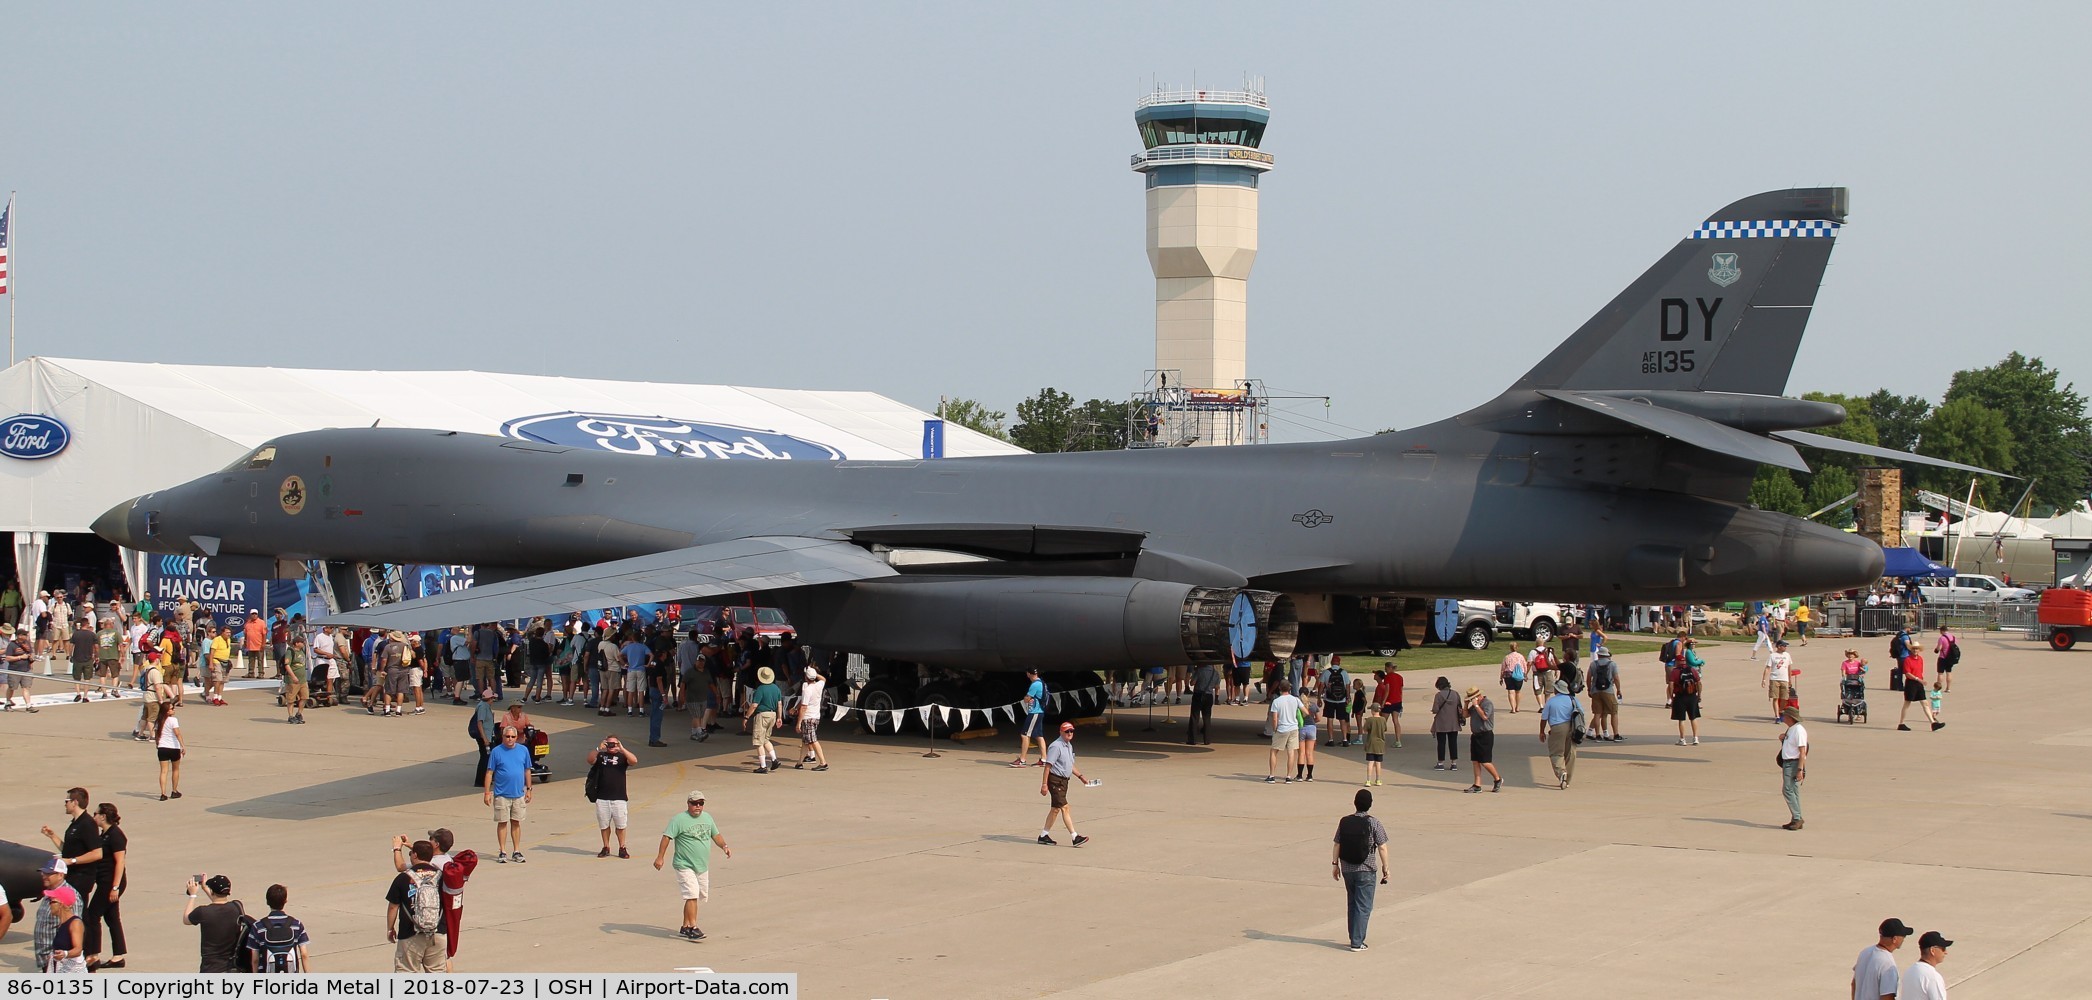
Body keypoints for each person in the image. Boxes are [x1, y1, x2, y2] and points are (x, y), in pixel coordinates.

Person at [655, 790, 732, 941]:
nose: (698, 806)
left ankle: (685, 926)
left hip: (701, 866)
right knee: (692, 894)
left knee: (695, 896)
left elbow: (716, 835)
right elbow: (666, 838)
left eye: (701, 804)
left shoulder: (707, 817)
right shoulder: (678, 820)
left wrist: (724, 846)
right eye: (694, 803)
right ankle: (693, 927)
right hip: (683, 864)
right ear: (688, 804)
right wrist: (660, 857)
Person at [1331, 787, 1391, 952]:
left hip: (1347, 868)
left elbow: (1337, 843)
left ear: (1355, 803)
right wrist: (1386, 867)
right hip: (1366, 868)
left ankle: (1353, 936)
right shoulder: (1374, 822)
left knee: (1352, 902)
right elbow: (1382, 847)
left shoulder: (1344, 821)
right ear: (1370, 804)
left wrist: (1335, 864)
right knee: (1363, 905)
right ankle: (1357, 942)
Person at [386, 840, 447, 972]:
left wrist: (390, 929)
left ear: (414, 855)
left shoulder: (403, 878)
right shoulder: (442, 876)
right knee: (436, 972)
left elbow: (393, 907)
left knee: (406, 971)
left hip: (410, 934)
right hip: (438, 932)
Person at [84, 803, 128, 970]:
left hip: (110, 882)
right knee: (111, 917)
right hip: (105, 881)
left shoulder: (116, 835)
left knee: (92, 915)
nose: (93, 817)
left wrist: (115, 887)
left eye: (95, 814)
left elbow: (120, 862)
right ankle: (118, 956)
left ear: (103, 816)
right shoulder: (105, 834)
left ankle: (93, 953)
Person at [44, 787, 105, 908]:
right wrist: (52, 836)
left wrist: (71, 861)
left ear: (75, 802)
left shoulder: (87, 823)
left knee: (77, 913)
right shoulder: (75, 823)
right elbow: (68, 851)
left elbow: (97, 853)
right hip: (72, 876)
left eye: (67, 801)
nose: (65, 804)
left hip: (81, 877)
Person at [1038, 721, 1091, 846]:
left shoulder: (1068, 746)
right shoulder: (1056, 746)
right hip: (1055, 780)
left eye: (1071, 731)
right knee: (1065, 807)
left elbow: (1070, 765)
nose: (1069, 733)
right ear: (1061, 732)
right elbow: (1047, 766)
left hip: (1064, 782)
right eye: (1067, 731)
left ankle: (1043, 835)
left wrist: (1081, 777)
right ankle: (1075, 836)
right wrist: (1044, 784)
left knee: (1055, 809)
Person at [485, 726, 533, 863]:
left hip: (518, 794)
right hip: (501, 794)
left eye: (513, 737)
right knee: (502, 822)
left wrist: (529, 789)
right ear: (503, 737)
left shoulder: (523, 750)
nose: (510, 739)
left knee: (516, 822)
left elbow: (527, 770)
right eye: (507, 737)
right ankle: (502, 851)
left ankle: (516, 850)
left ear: (516, 737)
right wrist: (487, 792)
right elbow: (489, 773)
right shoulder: (496, 752)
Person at [184, 874, 246, 973]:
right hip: (232, 967)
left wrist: (193, 895)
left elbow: (186, 919)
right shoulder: (237, 906)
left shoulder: (203, 912)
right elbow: (219, 901)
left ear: (212, 891)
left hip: (211, 968)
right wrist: (205, 888)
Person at [589, 734, 638, 858]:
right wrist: (598, 748)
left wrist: (621, 748)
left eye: (613, 743)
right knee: (604, 825)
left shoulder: (622, 757)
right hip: (602, 797)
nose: (611, 746)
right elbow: (590, 760)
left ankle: (622, 847)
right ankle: (606, 846)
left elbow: (634, 761)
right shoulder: (600, 756)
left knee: (621, 825)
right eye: (609, 743)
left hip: (619, 797)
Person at [246, 883, 311, 973]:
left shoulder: (258, 926)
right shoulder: (296, 925)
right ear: (285, 901)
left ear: (267, 902)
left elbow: (255, 959)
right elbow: (304, 954)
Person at [1854, 917, 1913, 1000]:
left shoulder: (1865, 953)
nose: (1904, 938)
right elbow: (1887, 996)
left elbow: (1854, 984)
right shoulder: (1887, 963)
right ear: (1895, 939)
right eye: (1903, 936)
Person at [1539, 679, 1578, 789]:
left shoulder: (1551, 701)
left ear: (1557, 690)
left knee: (1556, 753)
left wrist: (1542, 731)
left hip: (1557, 727)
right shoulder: (1572, 699)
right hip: (1572, 727)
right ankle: (1568, 779)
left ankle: (1562, 773)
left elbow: (1544, 718)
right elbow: (1581, 713)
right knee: (1570, 752)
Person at [1462, 686, 1502, 793]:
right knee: (1475, 761)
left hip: (1485, 735)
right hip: (1475, 735)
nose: (1472, 700)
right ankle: (1477, 785)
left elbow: (1485, 717)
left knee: (1485, 761)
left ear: (1479, 696)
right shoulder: (1474, 706)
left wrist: (1475, 705)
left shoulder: (1487, 704)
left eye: (1473, 698)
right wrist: (1466, 705)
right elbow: (1465, 715)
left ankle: (1497, 779)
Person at [42, 884, 86, 973]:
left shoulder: (75, 923)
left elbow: (78, 949)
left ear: (61, 904)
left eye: (52, 902)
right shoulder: (62, 924)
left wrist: (65, 954)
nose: (49, 905)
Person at [745, 665, 782, 773]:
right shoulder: (776, 688)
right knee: (766, 739)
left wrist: (746, 716)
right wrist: (779, 717)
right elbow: (779, 704)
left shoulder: (760, 689)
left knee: (758, 741)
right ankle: (774, 759)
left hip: (762, 715)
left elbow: (754, 705)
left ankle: (763, 766)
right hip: (773, 714)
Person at [1267, 680, 1303, 783]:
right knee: (1291, 752)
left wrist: (1274, 729)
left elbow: (1274, 718)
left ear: (1279, 688)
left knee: (1274, 751)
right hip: (1293, 728)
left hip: (1282, 728)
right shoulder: (1295, 699)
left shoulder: (1277, 701)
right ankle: (1288, 776)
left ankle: (1272, 775)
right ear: (1290, 688)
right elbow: (1305, 711)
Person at [1778, 707, 1809, 830]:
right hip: (1788, 763)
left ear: (1790, 718)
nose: (1783, 718)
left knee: (1787, 790)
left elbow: (1802, 752)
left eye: (1785, 716)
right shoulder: (1791, 729)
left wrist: (1800, 770)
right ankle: (1796, 818)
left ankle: (1797, 818)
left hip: (1793, 764)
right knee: (1794, 791)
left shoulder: (1798, 731)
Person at [1897, 651, 1942, 732]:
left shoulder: (1920, 659)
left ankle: (1933, 723)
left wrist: (1921, 680)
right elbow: (1907, 673)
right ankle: (1901, 723)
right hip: (1911, 683)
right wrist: (1919, 679)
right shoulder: (1907, 660)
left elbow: (1920, 671)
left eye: (1917, 649)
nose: (1915, 651)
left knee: (1925, 703)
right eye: (1914, 649)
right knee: (1907, 703)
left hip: (1919, 683)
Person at [1012, 666, 1049, 766]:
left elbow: (1027, 699)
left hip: (1034, 712)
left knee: (1024, 735)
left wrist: (1026, 699)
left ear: (1028, 674)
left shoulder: (1035, 685)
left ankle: (1022, 760)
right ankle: (1044, 760)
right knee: (1038, 735)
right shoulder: (1042, 683)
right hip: (1040, 711)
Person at [1671, 638, 1705, 746]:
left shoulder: (1675, 672)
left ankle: (1682, 739)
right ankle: (1695, 738)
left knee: (1681, 719)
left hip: (1680, 696)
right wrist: (1699, 695)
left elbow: (1671, 684)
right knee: (1693, 718)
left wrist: (1671, 696)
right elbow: (1699, 683)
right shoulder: (1692, 670)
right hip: (1692, 696)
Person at [795, 665, 830, 770]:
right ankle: (799, 762)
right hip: (815, 717)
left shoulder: (807, 689)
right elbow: (823, 679)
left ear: (806, 677)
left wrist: (798, 722)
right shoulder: (819, 685)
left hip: (808, 717)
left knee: (813, 740)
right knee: (806, 740)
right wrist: (815, 674)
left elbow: (804, 707)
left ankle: (823, 763)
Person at [1901, 932, 1952, 999]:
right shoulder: (1932, 976)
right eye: (1943, 948)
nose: (1946, 952)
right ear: (1932, 950)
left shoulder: (1910, 971)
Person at [1587, 646, 1623, 741]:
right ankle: (1616, 734)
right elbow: (1616, 678)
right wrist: (1618, 689)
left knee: (1597, 713)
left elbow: (1588, 678)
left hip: (1595, 691)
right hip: (1608, 691)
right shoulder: (1612, 664)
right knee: (1614, 712)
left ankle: (1598, 735)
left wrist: (1589, 689)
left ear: (1599, 655)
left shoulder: (1593, 664)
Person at [3, 624, 39, 712]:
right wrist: (20, 657)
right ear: (19, 636)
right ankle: (8, 702)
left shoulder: (27, 644)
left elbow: (30, 654)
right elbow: (7, 658)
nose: (26, 636)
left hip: (26, 670)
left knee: (26, 687)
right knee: (12, 688)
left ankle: (28, 705)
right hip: (14, 670)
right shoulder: (12, 645)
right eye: (24, 635)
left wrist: (31, 661)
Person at [1429, 676, 1461, 770]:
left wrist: (1434, 711)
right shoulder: (1455, 694)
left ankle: (1440, 763)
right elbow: (1459, 707)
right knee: (1453, 743)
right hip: (1454, 722)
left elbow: (1435, 709)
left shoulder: (1438, 695)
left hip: (1441, 722)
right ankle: (1454, 763)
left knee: (1441, 743)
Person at [156, 701, 185, 799]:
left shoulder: (159, 721)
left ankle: (163, 793)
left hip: (162, 747)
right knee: (175, 769)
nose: (174, 710)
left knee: (163, 771)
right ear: (167, 712)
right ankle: (174, 790)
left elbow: (157, 735)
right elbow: (177, 733)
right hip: (173, 747)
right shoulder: (173, 720)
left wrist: (157, 744)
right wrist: (182, 746)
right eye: (172, 708)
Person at [1187, 659, 1219, 745]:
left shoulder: (1199, 671)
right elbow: (1217, 686)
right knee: (1207, 718)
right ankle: (1207, 740)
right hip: (1209, 696)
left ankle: (1192, 739)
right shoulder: (1215, 673)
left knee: (1194, 717)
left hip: (1198, 694)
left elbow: (1192, 683)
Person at [1763, 639, 1795, 722]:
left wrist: (1790, 679)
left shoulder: (1787, 655)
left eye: (1786, 646)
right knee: (1775, 698)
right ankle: (1777, 716)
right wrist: (1764, 679)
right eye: (1784, 646)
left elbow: (1789, 667)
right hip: (1774, 679)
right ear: (1779, 646)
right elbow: (1768, 668)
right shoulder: (1772, 656)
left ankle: (1780, 711)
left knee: (1784, 698)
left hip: (1784, 679)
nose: (1785, 647)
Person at [1360, 704, 1389, 786]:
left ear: (1373, 710)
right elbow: (1385, 729)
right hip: (1380, 743)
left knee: (1370, 762)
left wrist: (1365, 723)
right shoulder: (1383, 719)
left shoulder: (1369, 720)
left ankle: (1368, 780)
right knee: (1378, 763)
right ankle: (1378, 780)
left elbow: (1365, 731)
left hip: (1371, 743)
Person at [1499, 645, 1527, 714]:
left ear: (1510, 648)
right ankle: (1517, 707)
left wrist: (1501, 677)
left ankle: (1513, 708)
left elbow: (1503, 668)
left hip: (1509, 675)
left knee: (1511, 692)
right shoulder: (1520, 656)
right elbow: (1524, 666)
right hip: (1519, 675)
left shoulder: (1507, 657)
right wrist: (1525, 675)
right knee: (1518, 691)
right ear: (1517, 648)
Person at [1933, 624, 1960, 693]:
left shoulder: (1942, 638)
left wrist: (1936, 650)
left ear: (1942, 631)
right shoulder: (1953, 637)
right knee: (1949, 672)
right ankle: (1948, 688)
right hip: (1951, 657)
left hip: (1943, 657)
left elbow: (1939, 648)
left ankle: (1938, 688)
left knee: (1940, 673)